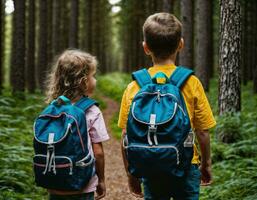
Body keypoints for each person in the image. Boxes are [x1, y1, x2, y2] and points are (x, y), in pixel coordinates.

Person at [118, 13, 216, 200]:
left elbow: (126, 136)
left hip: (149, 165)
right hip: (186, 165)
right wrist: (206, 164)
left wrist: (131, 174)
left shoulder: (135, 86)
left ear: (146, 48)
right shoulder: (192, 82)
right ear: (181, 44)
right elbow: (202, 132)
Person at [45, 50, 109, 200]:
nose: (95, 80)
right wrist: (101, 180)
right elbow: (98, 152)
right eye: (92, 76)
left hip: (54, 182)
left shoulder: (53, 108)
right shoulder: (92, 110)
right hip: (83, 184)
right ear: (83, 81)